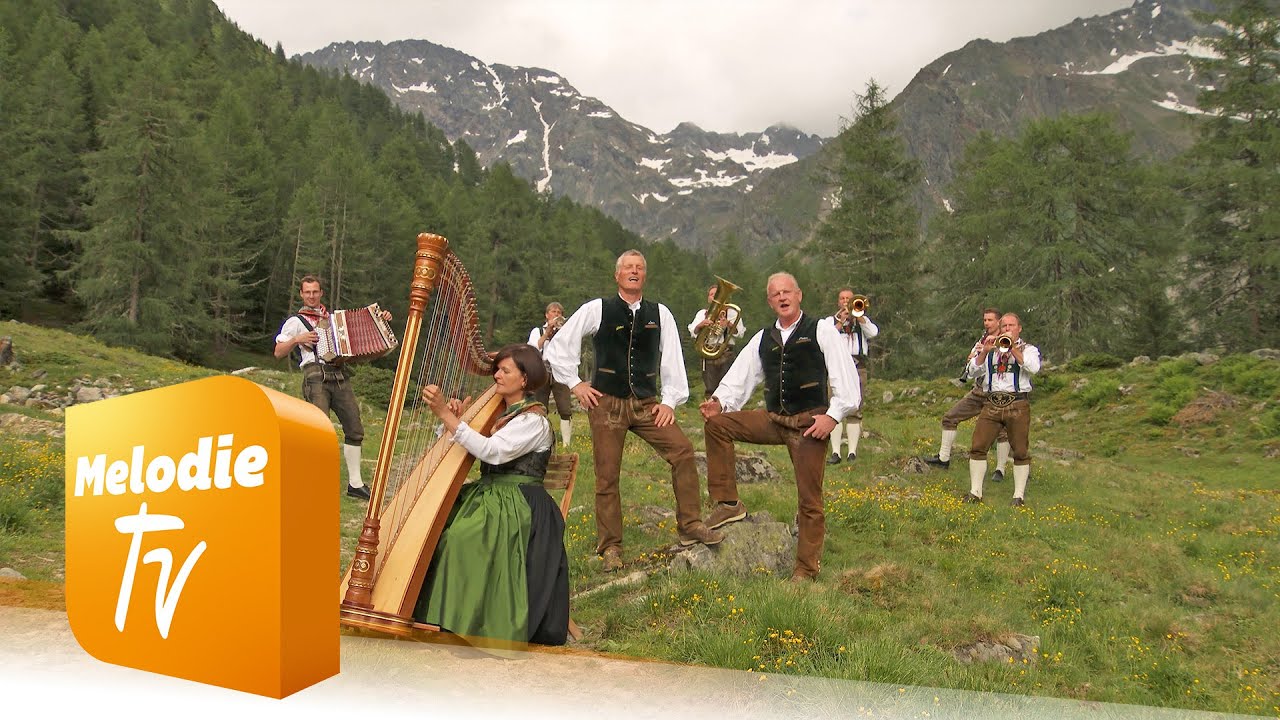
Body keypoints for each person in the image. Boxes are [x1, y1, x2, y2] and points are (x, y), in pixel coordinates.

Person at [543, 250, 723, 573]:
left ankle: (690, 525)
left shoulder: (660, 314)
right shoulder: (597, 309)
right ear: (617, 275)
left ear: (645, 276)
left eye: (639, 268)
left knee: (682, 451)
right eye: (628, 267)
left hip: (645, 403)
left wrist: (669, 401)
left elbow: (673, 360)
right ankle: (611, 547)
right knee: (607, 475)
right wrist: (575, 384)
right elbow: (559, 346)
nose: (634, 272)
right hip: (606, 404)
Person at [699, 273, 861, 582]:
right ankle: (728, 503)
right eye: (776, 294)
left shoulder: (822, 330)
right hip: (774, 420)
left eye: (788, 292)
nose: (783, 297)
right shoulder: (763, 338)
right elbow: (741, 376)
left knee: (810, 500)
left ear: (799, 295)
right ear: (770, 301)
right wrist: (719, 401)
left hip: (808, 425)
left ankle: (806, 568)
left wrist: (832, 416)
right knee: (717, 425)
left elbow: (848, 383)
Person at [412, 344, 569, 645]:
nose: (496, 374)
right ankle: (443, 616)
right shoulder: (504, 414)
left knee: (460, 539)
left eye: (504, 370)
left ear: (524, 379)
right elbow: (464, 443)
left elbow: (491, 452)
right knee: (436, 528)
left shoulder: (532, 421)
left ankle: (466, 621)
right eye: (497, 369)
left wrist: (447, 414)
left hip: (519, 503)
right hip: (492, 496)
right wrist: (453, 419)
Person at [273, 274, 390, 501]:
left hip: (339, 374)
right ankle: (314, 483)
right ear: (301, 294)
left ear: (321, 293)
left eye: (315, 291)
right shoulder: (295, 322)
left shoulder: (335, 320)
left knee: (355, 426)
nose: (311, 295)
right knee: (320, 431)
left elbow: (362, 336)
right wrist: (297, 339)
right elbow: (278, 352)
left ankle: (355, 484)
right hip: (314, 375)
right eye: (307, 292)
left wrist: (381, 320)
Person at [924, 307, 1012, 481]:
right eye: (985, 320)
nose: (987, 323)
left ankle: (1000, 470)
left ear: (999, 321)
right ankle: (943, 458)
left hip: (997, 392)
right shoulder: (982, 338)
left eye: (990, 320)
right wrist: (975, 355)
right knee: (950, 417)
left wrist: (992, 349)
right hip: (979, 390)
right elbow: (972, 365)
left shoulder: (1006, 339)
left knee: (1003, 431)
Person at [962, 313, 1040, 507]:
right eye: (1004, 326)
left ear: (1019, 328)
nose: (1006, 330)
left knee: (1020, 450)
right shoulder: (991, 348)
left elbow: (1033, 368)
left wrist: (1013, 349)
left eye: (1011, 326)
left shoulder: (1028, 349)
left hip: (1017, 403)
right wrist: (985, 351)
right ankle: (975, 493)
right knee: (978, 446)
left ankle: (1018, 496)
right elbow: (971, 371)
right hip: (992, 402)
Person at [822, 288, 878, 464]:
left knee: (855, 408)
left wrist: (859, 317)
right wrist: (841, 321)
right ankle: (836, 452)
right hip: (836, 368)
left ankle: (852, 452)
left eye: (849, 299)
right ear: (838, 302)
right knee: (834, 407)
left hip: (857, 366)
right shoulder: (829, 322)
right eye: (842, 299)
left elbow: (873, 333)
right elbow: (824, 338)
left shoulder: (862, 321)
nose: (846, 301)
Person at [528, 301, 574, 447]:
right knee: (540, 407)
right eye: (553, 312)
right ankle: (541, 440)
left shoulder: (566, 332)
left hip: (560, 370)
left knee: (565, 408)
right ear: (547, 315)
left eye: (559, 313)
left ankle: (566, 444)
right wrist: (547, 333)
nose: (556, 314)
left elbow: (571, 351)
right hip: (542, 370)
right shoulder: (537, 331)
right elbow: (533, 349)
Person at [688, 283, 746, 398]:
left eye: (717, 294)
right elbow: (692, 331)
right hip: (709, 353)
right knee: (710, 389)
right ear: (708, 298)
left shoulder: (732, 312)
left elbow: (740, 333)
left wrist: (728, 324)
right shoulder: (702, 313)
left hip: (726, 352)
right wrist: (701, 324)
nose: (714, 297)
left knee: (728, 387)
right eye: (711, 294)